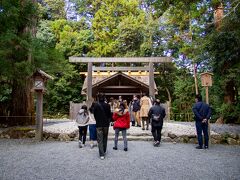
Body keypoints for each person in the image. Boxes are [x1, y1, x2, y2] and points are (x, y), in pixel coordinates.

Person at [91, 93, 111, 160]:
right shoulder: (108, 105)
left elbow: (94, 114)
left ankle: (101, 154)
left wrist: (98, 120)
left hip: (99, 124)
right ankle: (104, 150)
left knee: (100, 139)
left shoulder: (96, 105)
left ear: (98, 98)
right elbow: (109, 115)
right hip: (106, 124)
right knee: (105, 138)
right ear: (104, 97)